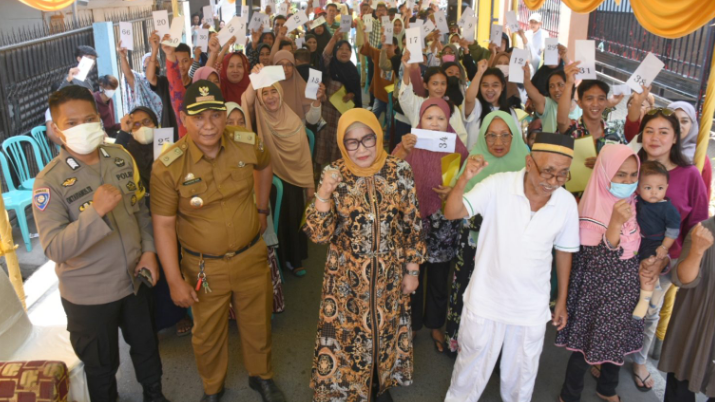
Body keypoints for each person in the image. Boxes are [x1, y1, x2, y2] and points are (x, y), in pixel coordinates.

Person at [151, 81, 286, 402]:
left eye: (215, 115)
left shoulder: (246, 143)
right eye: (199, 117)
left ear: (225, 116)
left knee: (257, 324)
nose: (208, 124)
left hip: (251, 255)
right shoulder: (168, 167)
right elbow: (164, 226)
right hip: (203, 267)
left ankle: (261, 376)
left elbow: (266, 165)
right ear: (183, 118)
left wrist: (262, 207)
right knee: (207, 334)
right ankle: (213, 387)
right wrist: (173, 280)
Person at [33, 85, 167, 402]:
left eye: (90, 118)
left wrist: (149, 251)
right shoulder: (49, 182)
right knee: (101, 367)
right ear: (55, 129)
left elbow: (141, 211)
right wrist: (96, 213)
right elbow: (54, 247)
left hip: (135, 281)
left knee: (147, 348)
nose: (84, 127)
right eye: (72, 122)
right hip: (89, 296)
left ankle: (155, 394)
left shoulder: (120, 157)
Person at [444, 132, 579, 402]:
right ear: (529, 163)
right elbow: (452, 212)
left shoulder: (566, 203)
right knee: (468, 373)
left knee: (521, 378)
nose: (552, 182)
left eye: (562, 174)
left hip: (530, 308)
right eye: (548, 171)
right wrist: (464, 179)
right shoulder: (498, 185)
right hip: (485, 301)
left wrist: (561, 300)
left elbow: (564, 252)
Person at [304, 108, 426, 402]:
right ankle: (351, 390)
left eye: (367, 139)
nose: (361, 149)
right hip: (345, 282)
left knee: (384, 335)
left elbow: (412, 223)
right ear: (342, 144)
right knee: (348, 340)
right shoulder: (334, 173)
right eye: (352, 142)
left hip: (389, 278)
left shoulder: (400, 171)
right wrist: (323, 193)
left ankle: (378, 384)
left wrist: (412, 270)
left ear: (379, 135)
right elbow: (319, 235)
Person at [555, 144, 645, 402]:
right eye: (620, 174)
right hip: (596, 294)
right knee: (586, 347)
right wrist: (615, 223)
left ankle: (607, 388)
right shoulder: (592, 209)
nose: (627, 181)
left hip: (625, 290)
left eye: (632, 175)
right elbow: (599, 260)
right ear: (605, 173)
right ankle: (569, 395)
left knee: (617, 342)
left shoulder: (633, 203)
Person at [631, 108, 709, 390]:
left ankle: (639, 361)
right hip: (625, 255)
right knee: (618, 307)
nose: (655, 137)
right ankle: (609, 358)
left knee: (650, 312)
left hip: (664, 261)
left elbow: (697, 222)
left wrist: (675, 260)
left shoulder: (690, 175)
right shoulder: (631, 165)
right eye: (649, 130)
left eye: (664, 131)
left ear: (676, 137)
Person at [443, 111, 531, 355]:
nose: (498, 142)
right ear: (482, 136)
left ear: (515, 136)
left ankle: (495, 351)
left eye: (505, 135)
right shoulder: (474, 161)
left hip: (509, 245)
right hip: (474, 242)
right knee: (465, 288)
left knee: (501, 295)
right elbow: (456, 208)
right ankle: (459, 343)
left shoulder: (527, 163)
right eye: (491, 135)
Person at [392, 99, 469, 353]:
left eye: (440, 119)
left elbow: (468, 181)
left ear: (448, 122)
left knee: (439, 277)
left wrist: (454, 191)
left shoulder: (457, 147)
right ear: (420, 121)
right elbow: (389, 173)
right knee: (413, 274)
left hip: (443, 221)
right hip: (413, 221)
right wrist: (402, 149)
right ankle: (412, 325)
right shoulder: (409, 144)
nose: (435, 124)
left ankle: (436, 325)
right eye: (429, 118)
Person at [252, 81, 321, 277]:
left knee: (292, 213)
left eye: (275, 91)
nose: (271, 97)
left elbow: (304, 156)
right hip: (269, 178)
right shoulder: (259, 118)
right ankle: (277, 261)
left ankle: (294, 259)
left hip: (294, 178)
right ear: (259, 98)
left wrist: (309, 185)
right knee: (275, 216)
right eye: (265, 93)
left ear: (281, 94)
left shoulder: (292, 120)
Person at [658, 220, 715, 402]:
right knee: (680, 382)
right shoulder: (703, 231)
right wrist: (697, 251)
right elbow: (683, 279)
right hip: (693, 324)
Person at [632, 161, 680, 319]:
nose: (654, 192)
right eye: (648, 188)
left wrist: (664, 247)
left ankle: (645, 301)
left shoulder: (667, 208)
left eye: (660, 188)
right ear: (638, 188)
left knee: (646, 269)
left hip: (655, 242)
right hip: (638, 239)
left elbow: (673, 231)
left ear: (666, 187)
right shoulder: (638, 201)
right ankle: (655, 288)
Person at [558, 63, 626, 158]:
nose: (595, 103)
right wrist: (569, 83)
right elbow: (561, 121)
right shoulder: (572, 129)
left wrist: (601, 163)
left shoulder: (615, 133)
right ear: (580, 103)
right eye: (589, 98)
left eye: (601, 98)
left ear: (606, 102)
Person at [317, 31, 361, 166]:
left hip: (343, 113)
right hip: (328, 110)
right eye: (340, 49)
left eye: (347, 50)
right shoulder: (331, 65)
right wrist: (333, 39)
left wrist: (351, 94)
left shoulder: (353, 70)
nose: (344, 52)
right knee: (325, 137)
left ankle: (338, 165)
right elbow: (325, 55)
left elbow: (356, 91)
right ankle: (321, 167)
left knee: (340, 137)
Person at [464, 61, 521, 150]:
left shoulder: (511, 112)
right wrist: (479, 73)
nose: (490, 89)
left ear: (502, 86)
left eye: (495, 85)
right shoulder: (476, 106)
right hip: (475, 162)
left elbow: (517, 141)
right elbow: (469, 99)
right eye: (485, 85)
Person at [117, 41, 164, 128]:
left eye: (154, 61)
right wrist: (123, 57)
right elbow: (128, 74)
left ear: (159, 66)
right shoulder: (140, 81)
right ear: (143, 66)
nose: (151, 63)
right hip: (145, 126)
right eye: (147, 62)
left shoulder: (164, 82)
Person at [145, 31, 180, 141]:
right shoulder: (166, 83)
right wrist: (155, 50)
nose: (181, 65)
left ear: (191, 61)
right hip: (169, 137)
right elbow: (150, 77)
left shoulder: (194, 83)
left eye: (185, 61)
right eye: (178, 61)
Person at [523, 65, 573, 133]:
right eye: (551, 86)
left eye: (560, 85)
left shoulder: (578, 105)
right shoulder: (548, 104)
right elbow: (535, 96)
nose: (556, 89)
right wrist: (526, 81)